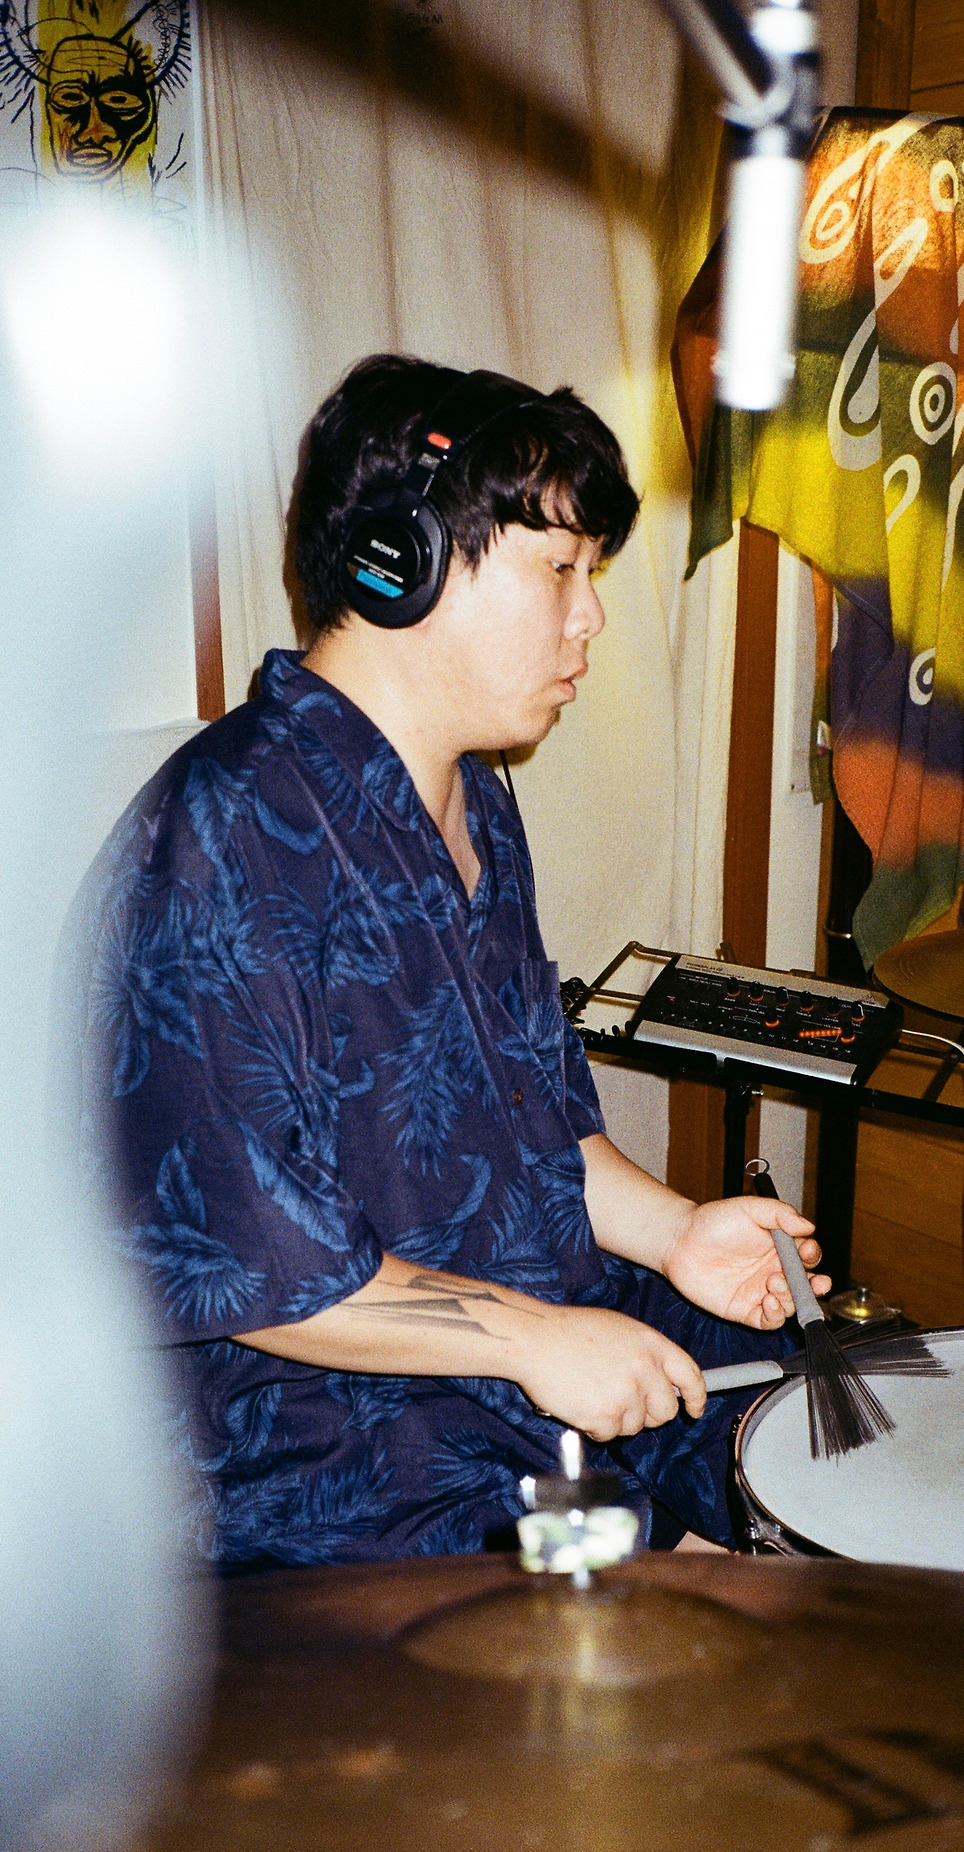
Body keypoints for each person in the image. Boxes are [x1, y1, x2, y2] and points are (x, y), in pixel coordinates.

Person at [67, 354, 827, 1571]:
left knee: (814, 1421)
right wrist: (532, 1341)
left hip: (515, 1333)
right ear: (401, 564)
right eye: (560, 569)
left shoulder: (476, 797)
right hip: (313, 1441)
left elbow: (535, 1134)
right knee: (652, 1632)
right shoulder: (216, 841)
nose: (589, 617)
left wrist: (676, 1230)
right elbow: (247, 1268)